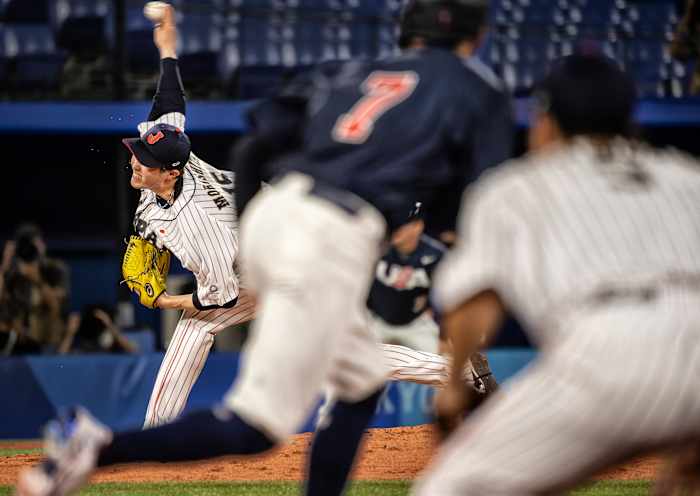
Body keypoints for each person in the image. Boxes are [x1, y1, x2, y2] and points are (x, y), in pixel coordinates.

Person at [16, 1, 514, 495]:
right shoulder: (476, 89)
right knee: (266, 414)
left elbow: (228, 277)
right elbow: (171, 102)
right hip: (315, 235)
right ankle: (102, 446)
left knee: (347, 375)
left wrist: (168, 297)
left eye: (144, 156)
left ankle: (118, 441)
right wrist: (167, 50)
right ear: (475, 39)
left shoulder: (354, 71)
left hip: (271, 235)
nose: (137, 158)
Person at [413, 52, 700, 495]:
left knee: (451, 487)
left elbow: (474, 304)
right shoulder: (686, 176)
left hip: (608, 353)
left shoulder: (515, 186)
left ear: (545, 120)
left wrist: (454, 387)